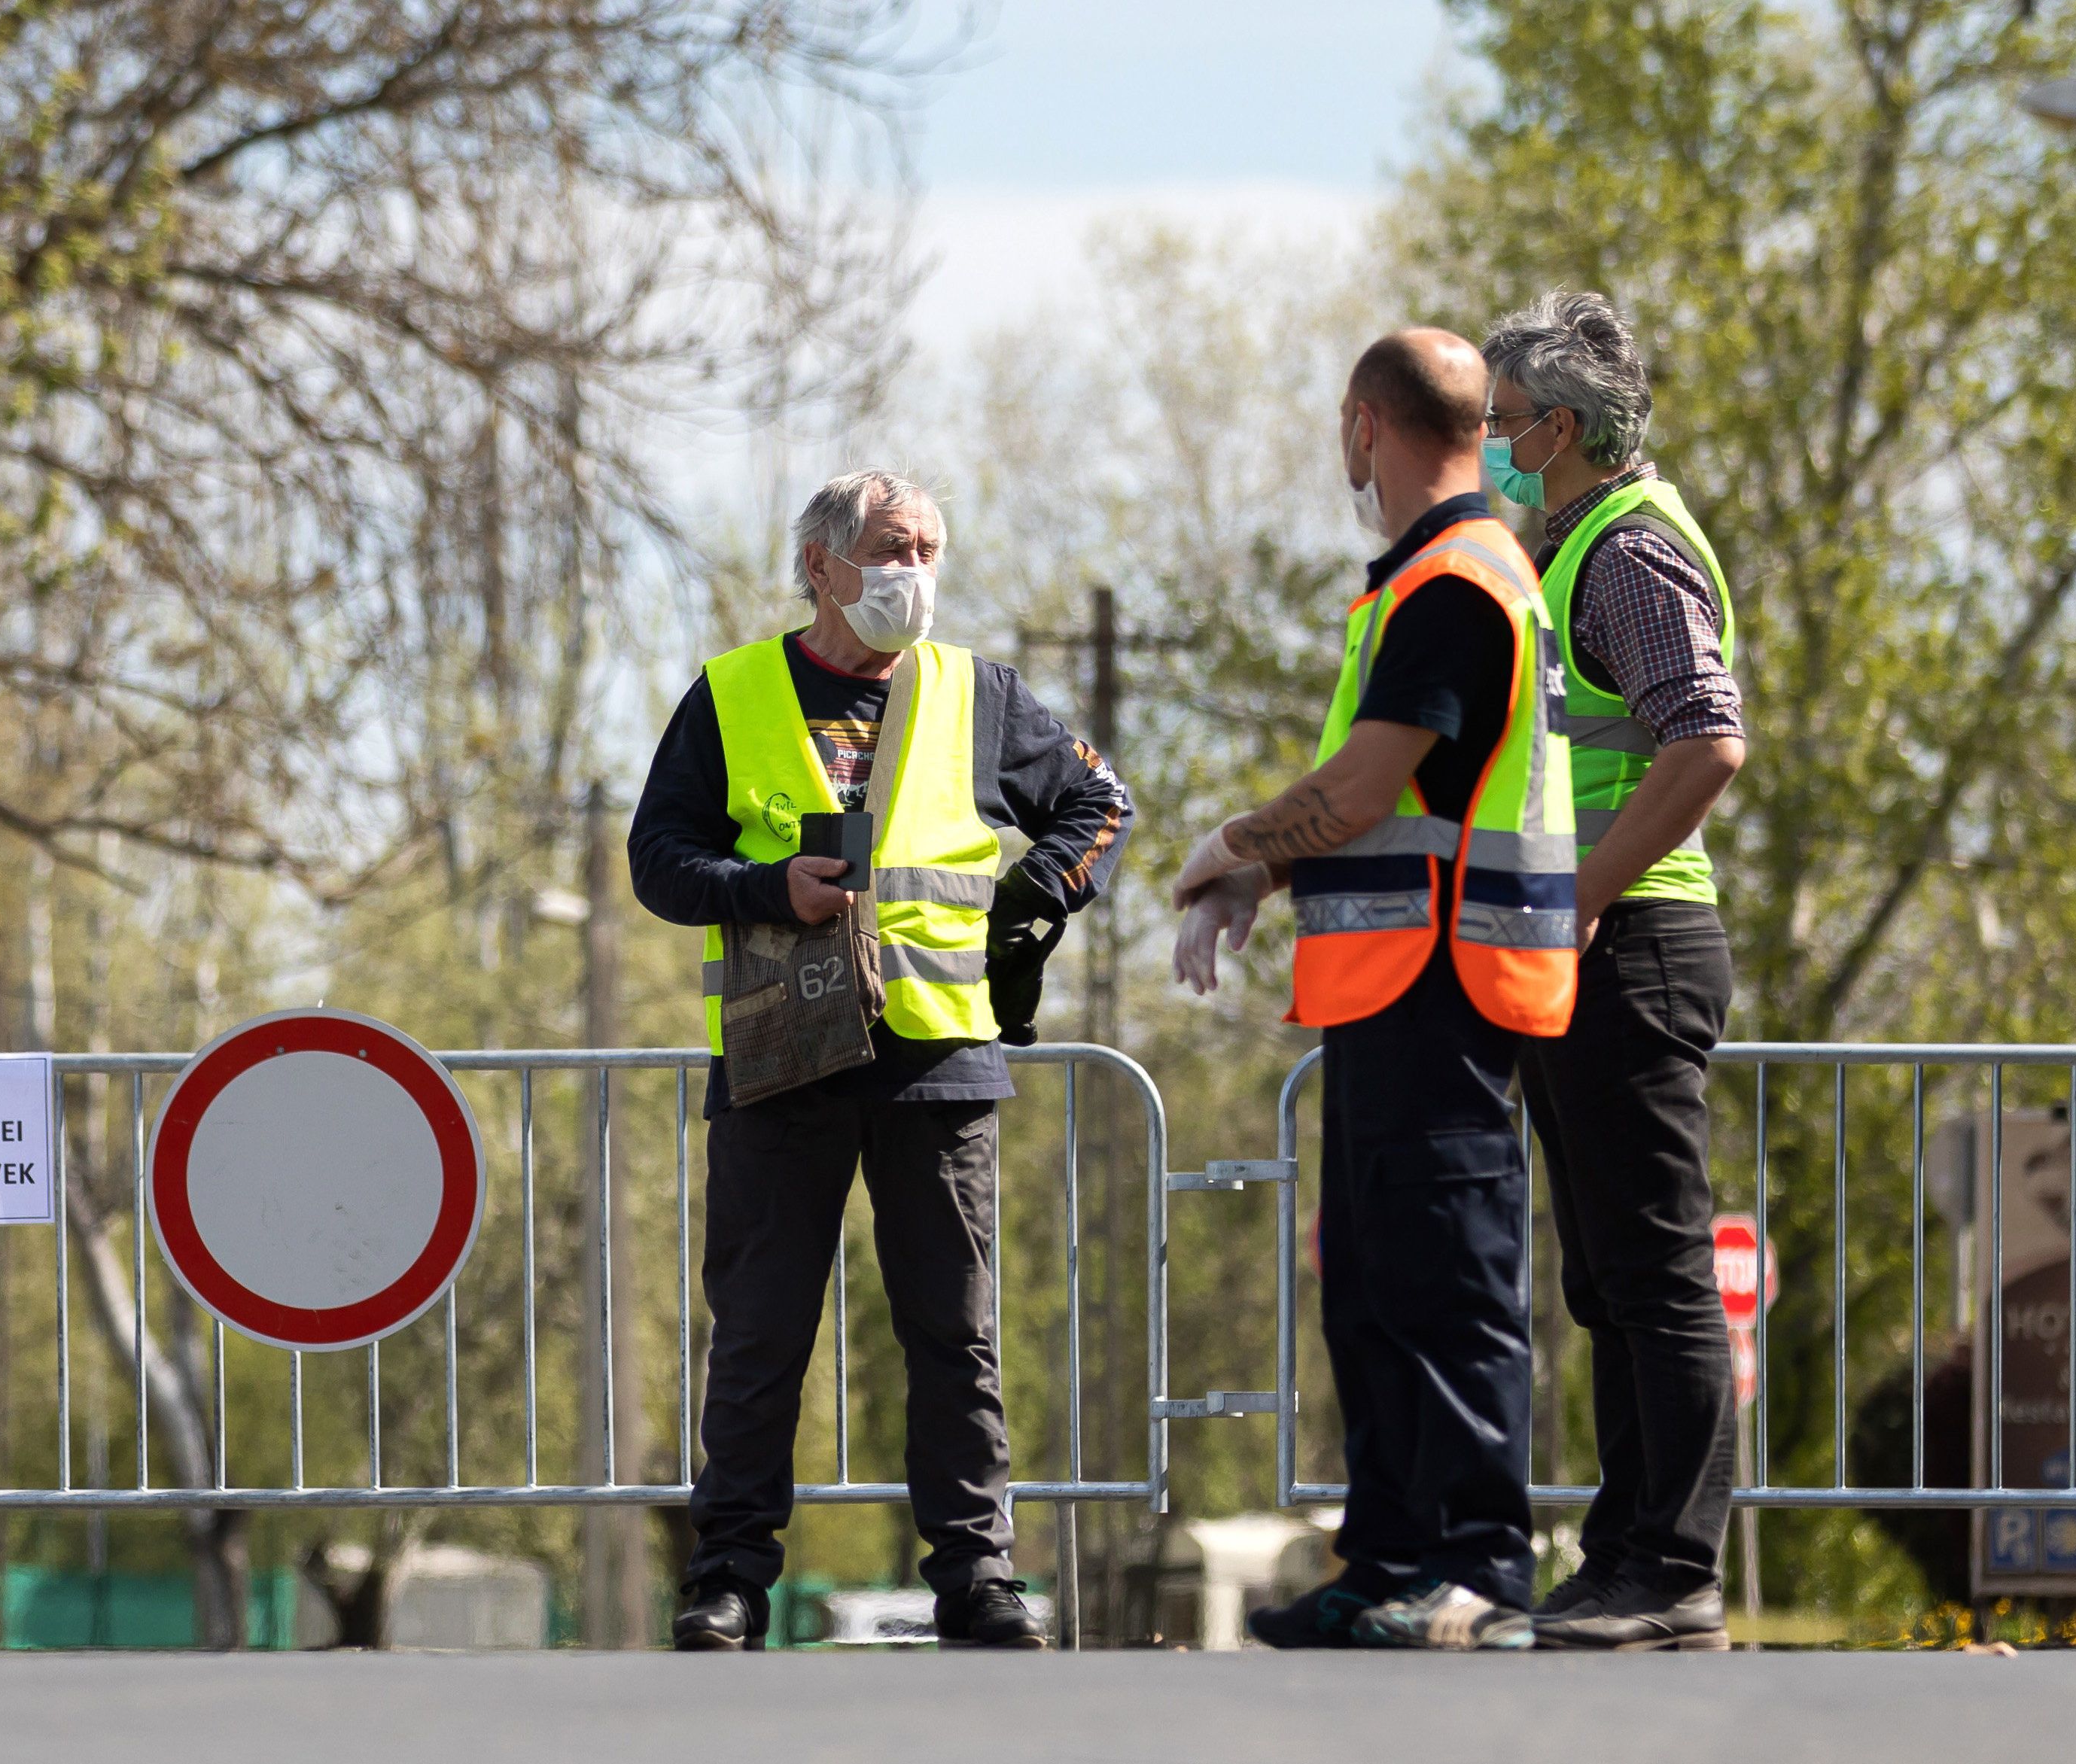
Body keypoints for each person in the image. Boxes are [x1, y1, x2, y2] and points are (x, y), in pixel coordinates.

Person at [629, 470, 1130, 1650]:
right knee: (759, 1333)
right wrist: (765, 887)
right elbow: (657, 858)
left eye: (932, 550)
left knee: (954, 1335)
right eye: (894, 549)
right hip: (780, 1052)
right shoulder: (733, 693)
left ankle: (977, 1576)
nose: (918, 572)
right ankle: (730, 1580)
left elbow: (1098, 801)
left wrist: (1034, 899)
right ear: (823, 568)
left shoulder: (980, 692)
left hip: (936, 1060)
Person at [1168, 330, 1576, 1652]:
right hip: (1396, 991)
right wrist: (1266, 886)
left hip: (1446, 992)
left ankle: (1472, 1568)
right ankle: (1391, 1557)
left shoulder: (1457, 582)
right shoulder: (1423, 582)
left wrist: (1231, 848)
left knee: (1448, 1281)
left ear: (1364, 428)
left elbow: (1354, 789)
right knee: (1375, 1281)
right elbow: (1389, 805)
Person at [1479, 291, 1746, 1652]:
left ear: (1562, 427)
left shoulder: (1625, 554)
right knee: (1609, 1279)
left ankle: (1676, 1567)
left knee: (1655, 1272)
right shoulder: (1579, 539)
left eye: (1502, 425)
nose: (1490, 448)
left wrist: (1583, 896)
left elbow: (1705, 739)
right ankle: (1624, 1553)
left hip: (1631, 941)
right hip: (1594, 944)